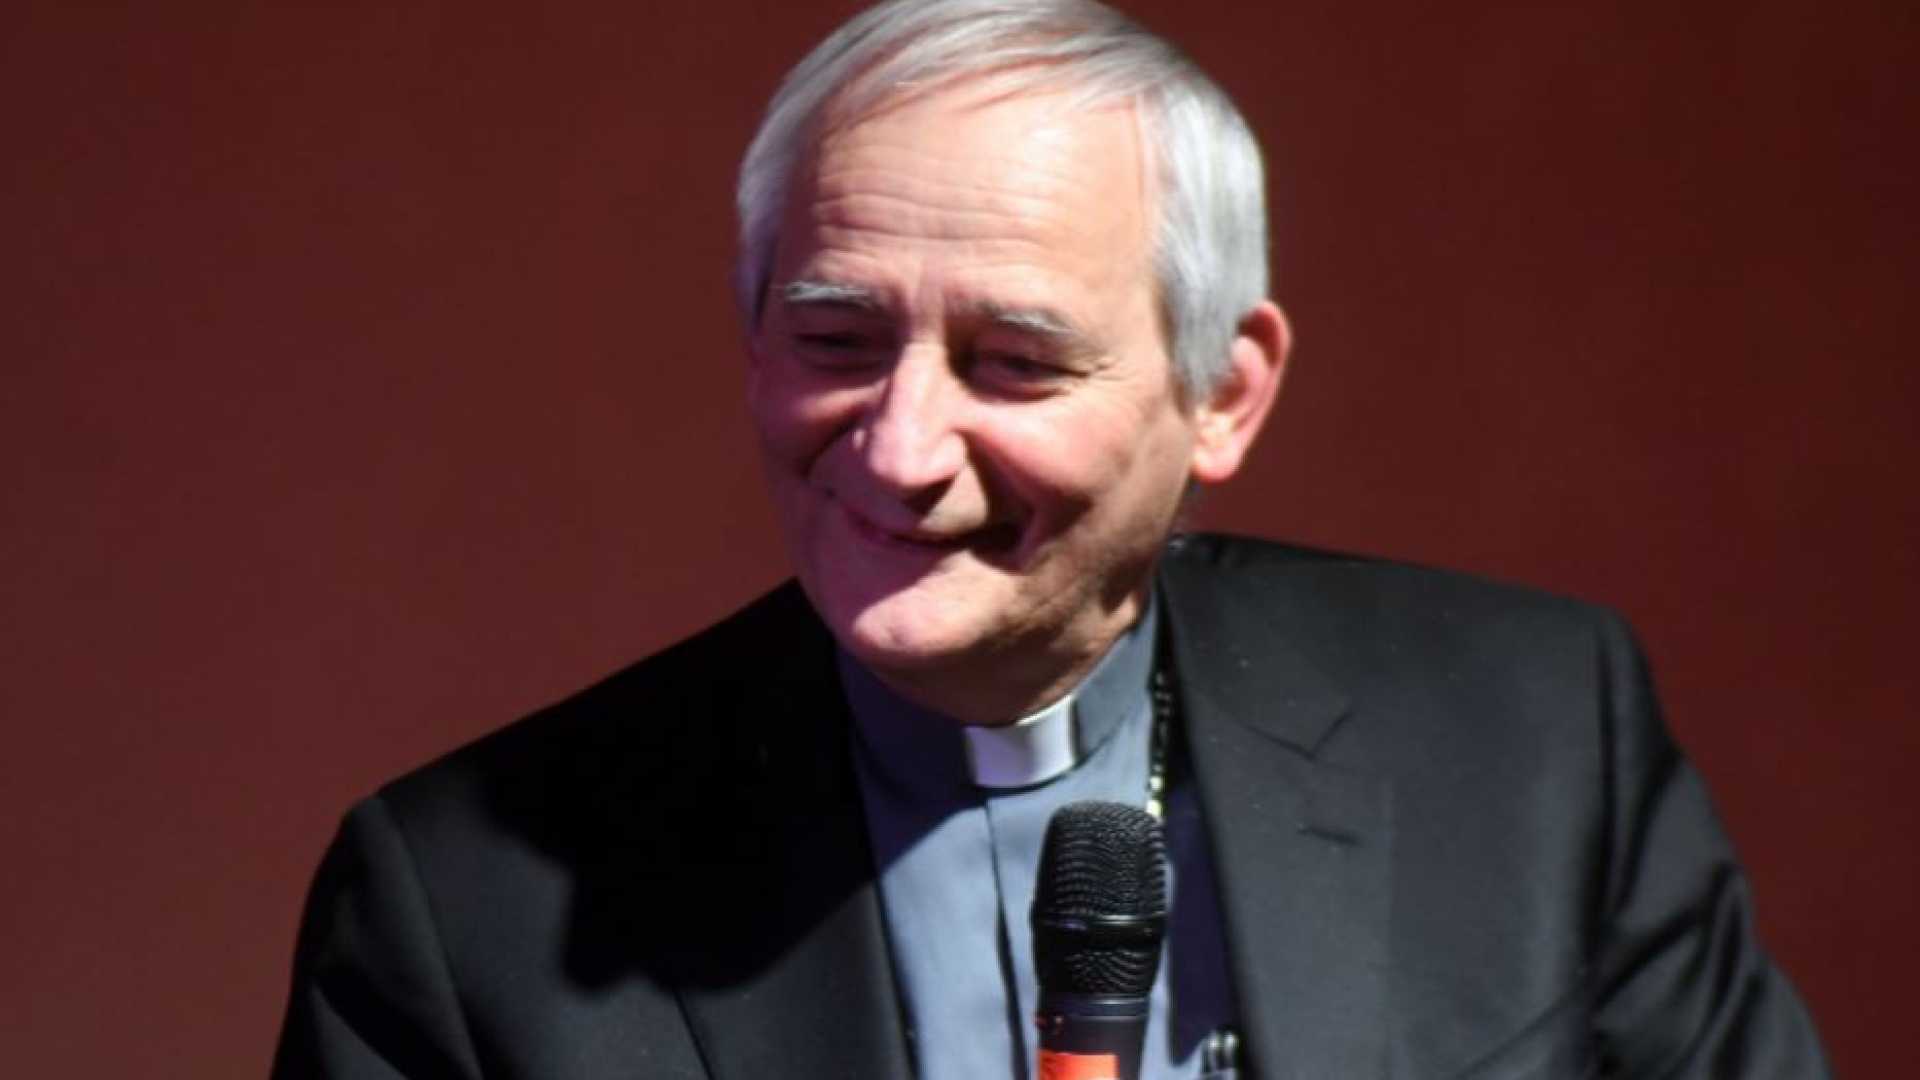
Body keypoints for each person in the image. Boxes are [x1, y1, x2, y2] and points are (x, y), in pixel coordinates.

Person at [272, 1, 1829, 1076]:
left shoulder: (1535, 734)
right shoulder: (454, 906)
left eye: (1013, 362)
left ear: (1223, 392)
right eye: (834, 339)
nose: (900, 450)